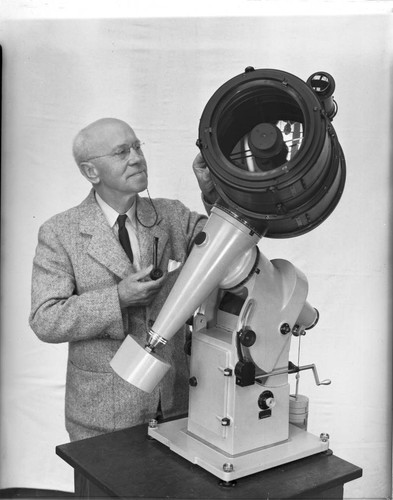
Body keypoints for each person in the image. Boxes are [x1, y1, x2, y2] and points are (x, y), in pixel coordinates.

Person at [29, 117, 217, 442]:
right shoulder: (60, 233)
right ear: (91, 172)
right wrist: (118, 298)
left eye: (137, 147)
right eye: (121, 152)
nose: (136, 157)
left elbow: (225, 248)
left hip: (175, 407)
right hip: (103, 418)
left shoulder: (170, 215)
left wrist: (213, 191)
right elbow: (46, 319)